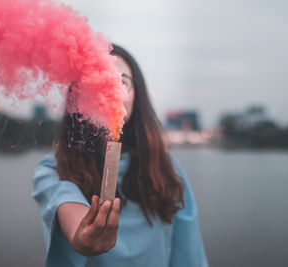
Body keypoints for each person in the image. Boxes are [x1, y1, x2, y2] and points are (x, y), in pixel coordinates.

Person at [32, 44, 209, 267]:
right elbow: (70, 210)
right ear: (76, 100)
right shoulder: (53, 170)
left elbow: (189, 254)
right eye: (95, 83)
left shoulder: (167, 167)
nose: (109, 92)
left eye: (121, 81)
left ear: (137, 94)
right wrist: (84, 236)